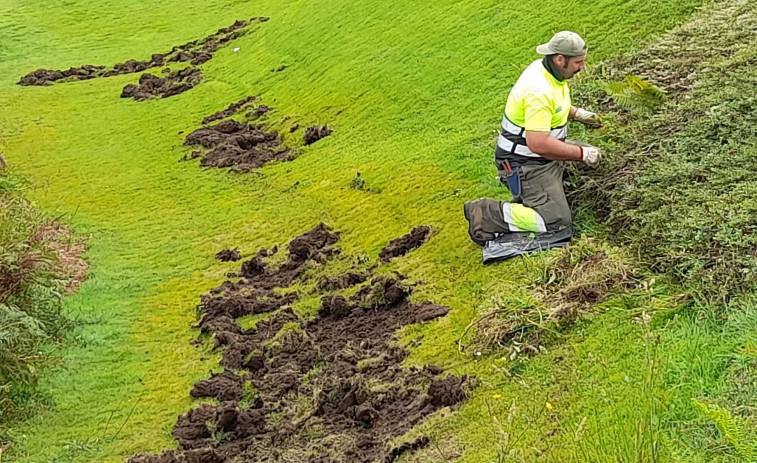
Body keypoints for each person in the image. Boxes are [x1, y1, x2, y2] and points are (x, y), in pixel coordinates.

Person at [463, 31, 603, 261]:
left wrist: (577, 114)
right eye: (579, 63)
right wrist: (580, 153)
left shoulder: (548, 71)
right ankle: (487, 213)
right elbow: (538, 143)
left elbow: (553, 106)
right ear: (560, 59)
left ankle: (547, 193)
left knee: (597, 159)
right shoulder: (539, 90)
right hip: (527, 164)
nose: (582, 68)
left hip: (545, 154)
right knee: (557, 221)